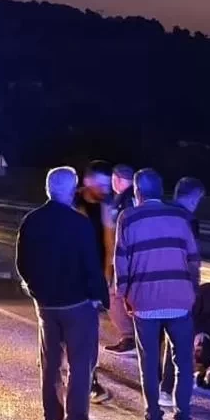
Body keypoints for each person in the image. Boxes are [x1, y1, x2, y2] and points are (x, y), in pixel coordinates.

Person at [16, 166, 109, 420]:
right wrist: (97, 297)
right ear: (71, 190)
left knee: (51, 361)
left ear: (48, 189)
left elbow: (22, 264)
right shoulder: (78, 223)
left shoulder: (31, 221)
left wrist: (35, 290)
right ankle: (77, 419)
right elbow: (90, 265)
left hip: (46, 305)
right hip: (77, 303)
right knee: (81, 361)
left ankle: (52, 418)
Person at [115, 168, 200, 420]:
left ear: (137, 192)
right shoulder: (179, 216)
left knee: (149, 362)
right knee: (183, 365)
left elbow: (121, 262)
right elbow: (193, 259)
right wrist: (191, 291)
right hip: (179, 301)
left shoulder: (127, 217)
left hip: (145, 303)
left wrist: (125, 295)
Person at [155, 176, 207, 405]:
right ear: (195, 196)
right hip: (178, 285)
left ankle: (157, 389)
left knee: (152, 338)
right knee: (179, 340)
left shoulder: (160, 213)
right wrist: (194, 288)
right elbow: (191, 258)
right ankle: (169, 390)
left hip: (153, 284)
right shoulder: (188, 220)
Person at [74, 160, 115, 404]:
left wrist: (106, 279)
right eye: (101, 184)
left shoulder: (104, 207)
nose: (105, 189)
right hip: (71, 278)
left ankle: (89, 379)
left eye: (107, 185)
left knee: (89, 334)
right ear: (87, 182)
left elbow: (109, 246)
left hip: (92, 281)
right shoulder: (71, 203)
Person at [104, 164, 138, 356]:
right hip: (135, 257)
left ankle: (129, 337)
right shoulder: (137, 196)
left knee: (113, 296)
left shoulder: (122, 200)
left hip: (122, 258)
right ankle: (136, 337)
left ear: (115, 179)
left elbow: (117, 233)